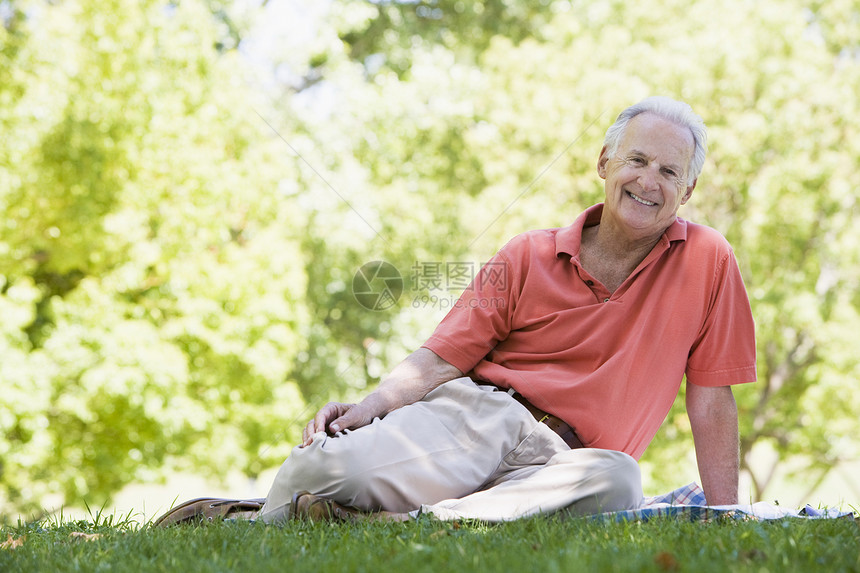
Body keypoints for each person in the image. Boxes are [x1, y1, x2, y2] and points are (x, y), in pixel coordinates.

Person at [157, 96, 757, 526]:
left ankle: (413, 524)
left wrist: (726, 513)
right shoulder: (529, 253)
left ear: (688, 191)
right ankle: (261, 513)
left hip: (566, 463)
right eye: (637, 160)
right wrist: (368, 408)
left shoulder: (708, 260)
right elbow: (441, 357)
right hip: (477, 419)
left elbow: (710, 398)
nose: (649, 180)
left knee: (620, 480)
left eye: (669, 171)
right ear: (605, 163)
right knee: (317, 474)